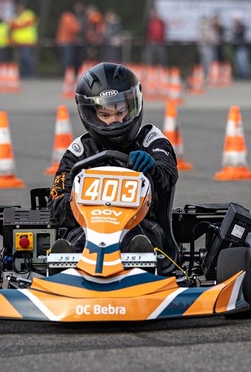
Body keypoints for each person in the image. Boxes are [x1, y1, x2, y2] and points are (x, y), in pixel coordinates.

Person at [48, 62, 179, 260]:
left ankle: (141, 262)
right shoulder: (79, 152)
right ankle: (66, 265)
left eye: (120, 112)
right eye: (105, 115)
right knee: (76, 242)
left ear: (133, 106)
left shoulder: (150, 139)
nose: (115, 121)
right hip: (87, 228)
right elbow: (56, 202)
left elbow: (168, 173)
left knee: (138, 241)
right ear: (91, 115)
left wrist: (152, 167)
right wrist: (79, 201)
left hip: (141, 225)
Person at [10, 3, 38, 78]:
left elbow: (23, 25)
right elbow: (12, 28)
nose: (19, 10)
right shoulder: (16, 17)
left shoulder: (29, 15)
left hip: (27, 42)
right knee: (21, 60)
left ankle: (32, 75)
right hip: (18, 43)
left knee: (27, 59)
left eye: (20, 8)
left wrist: (15, 25)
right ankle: (24, 76)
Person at [55, 5, 81, 76]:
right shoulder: (69, 18)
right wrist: (78, 25)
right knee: (68, 59)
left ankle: (63, 73)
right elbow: (73, 29)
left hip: (62, 40)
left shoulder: (64, 17)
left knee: (63, 58)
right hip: (67, 41)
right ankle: (66, 74)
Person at [197, 14, 219, 80]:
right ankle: (206, 74)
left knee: (209, 60)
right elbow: (207, 37)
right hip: (206, 46)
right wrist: (212, 40)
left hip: (209, 46)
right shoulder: (205, 26)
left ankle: (208, 74)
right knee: (207, 61)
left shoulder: (210, 26)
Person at [230, 15, 251, 79]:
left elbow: (241, 33)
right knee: (238, 62)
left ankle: (246, 75)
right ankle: (240, 75)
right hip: (236, 47)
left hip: (242, 47)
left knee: (243, 62)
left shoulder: (242, 27)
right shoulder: (234, 27)